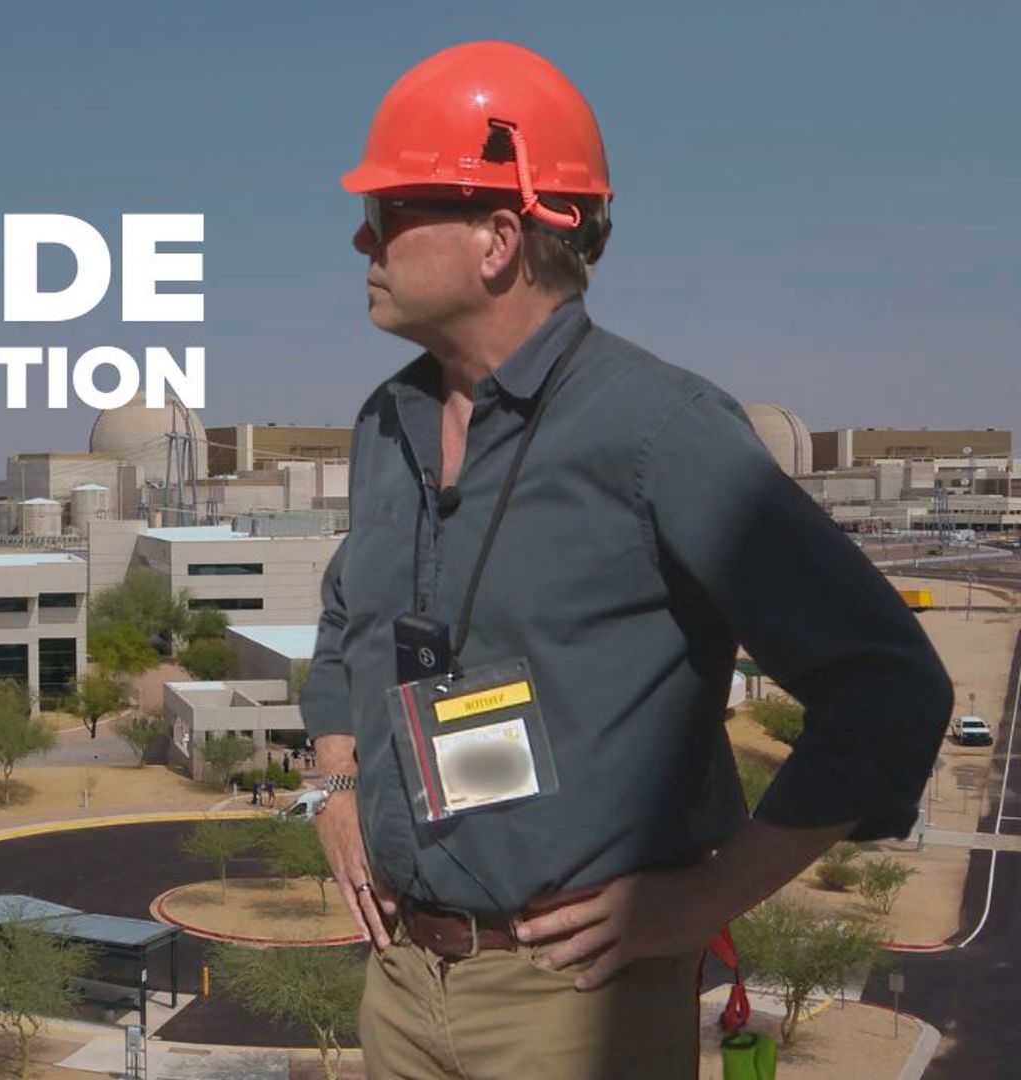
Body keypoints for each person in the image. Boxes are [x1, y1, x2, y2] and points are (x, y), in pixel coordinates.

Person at [300, 41, 952, 1080]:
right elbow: (346, 628)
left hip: (574, 1005)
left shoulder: (661, 432)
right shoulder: (388, 426)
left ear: (497, 238)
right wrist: (330, 787)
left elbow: (889, 688)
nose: (359, 236)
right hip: (402, 982)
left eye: (391, 211)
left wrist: (703, 898)